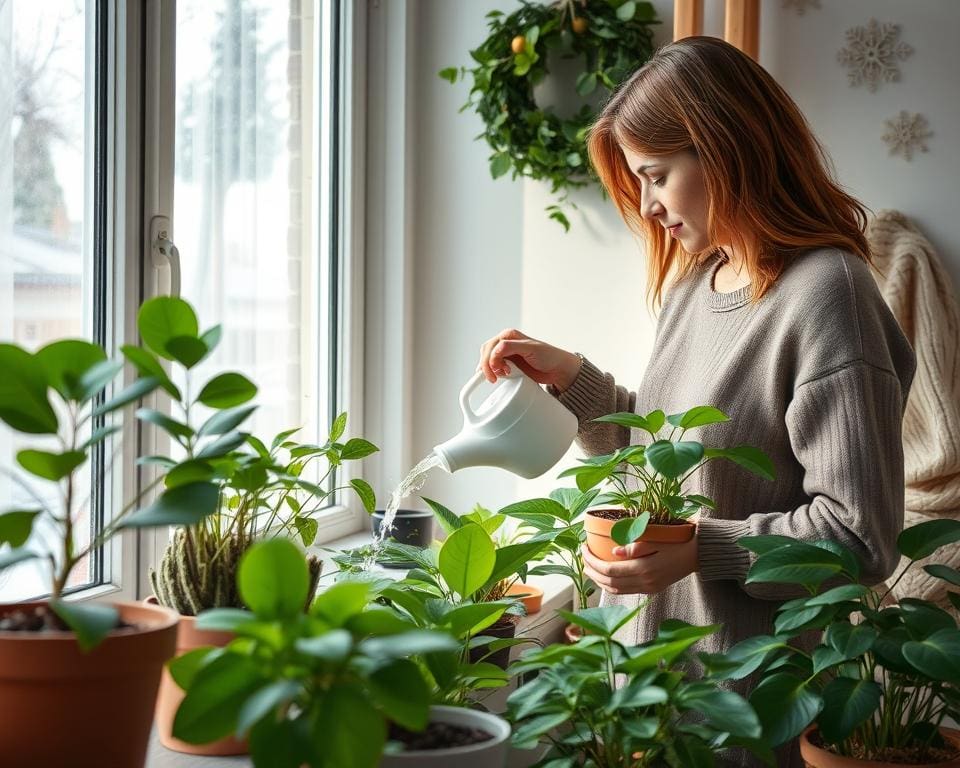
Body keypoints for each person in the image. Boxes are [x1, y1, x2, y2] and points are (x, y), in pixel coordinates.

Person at [477, 36, 915, 766]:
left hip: (739, 709)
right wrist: (572, 381)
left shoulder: (828, 295)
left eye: (655, 175)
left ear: (725, 148)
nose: (647, 207)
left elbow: (859, 539)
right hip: (643, 696)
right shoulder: (697, 280)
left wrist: (693, 551)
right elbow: (671, 462)